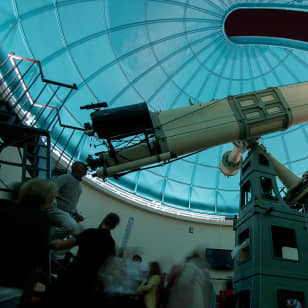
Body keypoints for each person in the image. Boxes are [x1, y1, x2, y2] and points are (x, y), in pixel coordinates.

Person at [0, 178, 57, 308]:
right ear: (45, 199)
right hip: (13, 286)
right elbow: (39, 257)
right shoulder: (42, 221)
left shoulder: (3, 207)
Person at [44, 212, 120, 308]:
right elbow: (108, 269)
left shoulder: (90, 232)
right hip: (88, 284)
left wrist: (49, 242)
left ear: (104, 219)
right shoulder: (111, 244)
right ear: (114, 226)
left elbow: (61, 245)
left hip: (72, 276)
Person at [48, 161, 87, 238]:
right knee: (70, 227)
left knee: (81, 233)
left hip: (68, 214)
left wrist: (77, 214)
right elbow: (52, 190)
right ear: (75, 168)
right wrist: (52, 203)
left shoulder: (79, 186)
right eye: (82, 166)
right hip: (57, 210)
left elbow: (72, 203)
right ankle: (50, 240)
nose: (85, 168)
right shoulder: (65, 177)